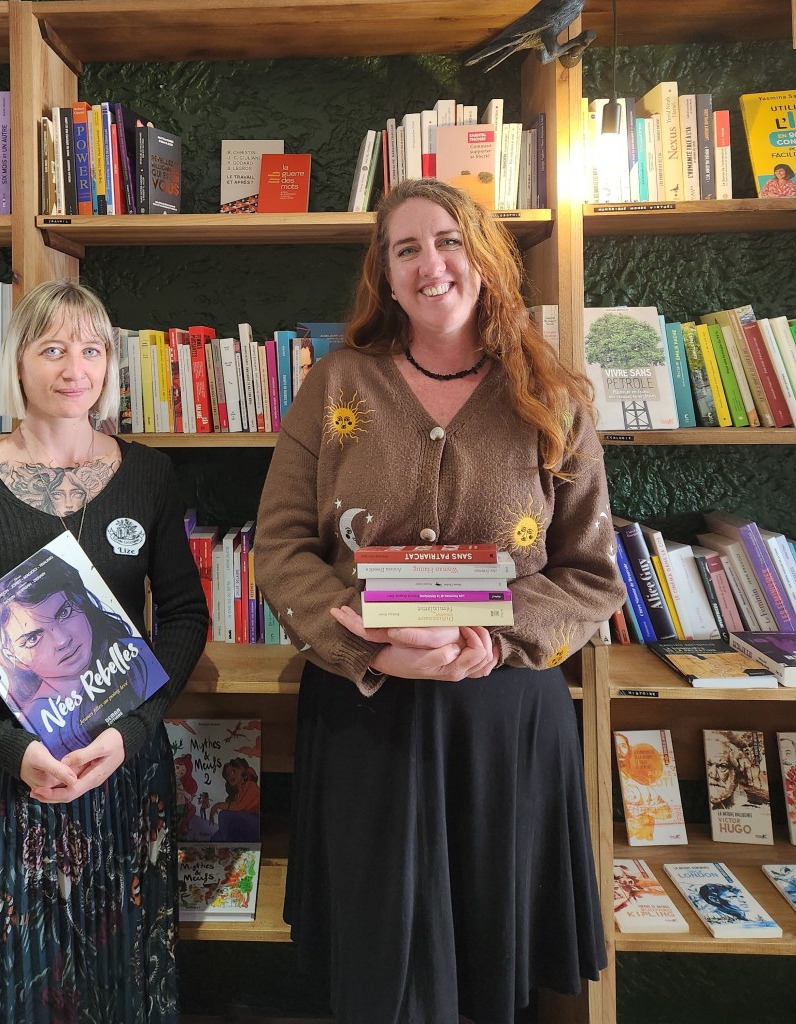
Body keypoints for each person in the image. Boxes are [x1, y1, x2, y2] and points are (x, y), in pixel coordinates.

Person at [254, 178, 625, 1024]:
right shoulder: (335, 383)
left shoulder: (551, 394)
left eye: (450, 241)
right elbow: (279, 547)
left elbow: (591, 572)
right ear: (385, 277)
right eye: (408, 249)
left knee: (491, 960)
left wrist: (493, 635)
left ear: (484, 258)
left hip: (501, 720)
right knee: (375, 961)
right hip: (364, 713)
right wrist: (371, 649)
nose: (432, 265)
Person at [0, 279, 208, 1022]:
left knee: (118, 973)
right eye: (53, 349)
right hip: (12, 772)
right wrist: (8, 747)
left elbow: (185, 616)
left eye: (92, 350)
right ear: (17, 363)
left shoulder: (150, 475)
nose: (75, 369)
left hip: (120, 764)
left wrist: (131, 733)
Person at [0, 549, 163, 758]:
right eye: (33, 638)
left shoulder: (136, 657)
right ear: (12, 656)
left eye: (64, 612)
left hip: (144, 749)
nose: (62, 640)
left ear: (81, 602)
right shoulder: (33, 723)